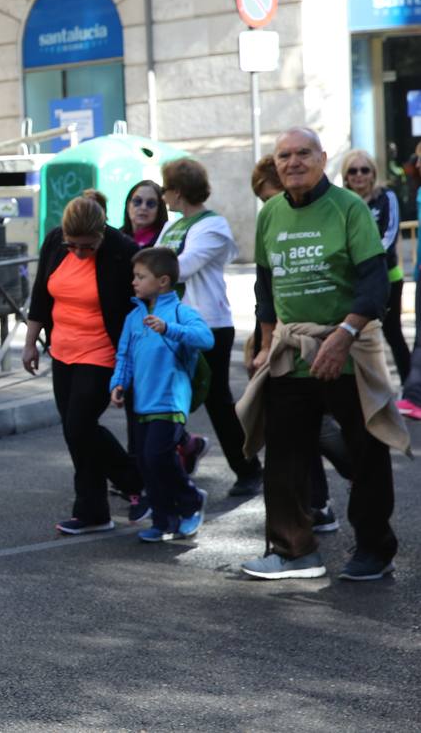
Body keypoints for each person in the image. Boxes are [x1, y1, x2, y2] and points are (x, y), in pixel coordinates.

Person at [237, 127, 406, 582]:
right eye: (284, 155)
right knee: (286, 457)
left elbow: (375, 284)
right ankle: (294, 552)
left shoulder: (349, 208)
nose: (293, 162)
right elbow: (265, 285)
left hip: (346, 349)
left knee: (366, 451)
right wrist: (265, 341)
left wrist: (345, 333)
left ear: (322, 158)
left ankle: (374, 549)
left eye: (303, 153)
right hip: (291, 353)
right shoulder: (270, 213)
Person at [24, 196, 146, 534]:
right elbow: (41, 295)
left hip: (103, 351)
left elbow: (139, 303)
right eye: (72, 245)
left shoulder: (122, 249)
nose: (78, 253)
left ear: (101, 233)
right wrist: (30, 342)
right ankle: (93, 511)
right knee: (75, 433)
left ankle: (135, 481)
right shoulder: (54, 241)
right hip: (62, 350)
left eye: (86, 247)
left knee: (79, 425)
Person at [248, 157, 351, 530]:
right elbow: (265, 287)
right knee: (295, 432)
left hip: (327, 340)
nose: (271, 206)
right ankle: (315, 505)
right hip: (283, 339)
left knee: (319, 426)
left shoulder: (337, 211)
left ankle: (350, 476)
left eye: (272, 196)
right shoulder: (271, 221)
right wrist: (263, 343)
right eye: (264, 199)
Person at [156, 157, 263, 497]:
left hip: (209, 325)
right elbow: (155, 263)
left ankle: (248, 468)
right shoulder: (172, 226)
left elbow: (180, 267)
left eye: (164, 189)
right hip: (173, 324)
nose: (162, 196)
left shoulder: (213, 225)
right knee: (168, 396)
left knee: (216, 399)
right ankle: (181, 452)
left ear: (178, 191)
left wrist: (152, 268)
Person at [109, 247, 213, 541]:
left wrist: (170, 328)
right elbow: (124, 356)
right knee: (145, 462)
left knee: (157, 457)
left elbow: (206, 339)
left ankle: (192, 502)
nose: (134, 282)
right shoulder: (133, 317)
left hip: (170, 401)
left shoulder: (181, 312)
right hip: (142, 402)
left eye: (141, 277)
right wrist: (118, 385)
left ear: (163, 281)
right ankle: (163, 518)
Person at [340, 149, 409, 379]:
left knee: (393, 333)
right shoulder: (341, 203)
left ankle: (412, 389)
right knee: (351, 336)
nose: (359, 175)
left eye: (364, 170)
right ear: (346, 176)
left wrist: (366, 259)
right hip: (353, 281)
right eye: (353, 170)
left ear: (373, 173)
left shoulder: (386, 197)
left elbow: (390, 234)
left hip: (387, 276)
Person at [119, 180, 168, 248]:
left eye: (151, 203)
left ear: (160, 209)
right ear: (128, 206)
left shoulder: (166, 240)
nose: (143, 207)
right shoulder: (115, 238)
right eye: (137, 201)